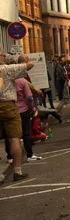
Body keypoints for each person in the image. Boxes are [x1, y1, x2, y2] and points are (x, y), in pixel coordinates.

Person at [0, 50, 35, 181]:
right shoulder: (7, 69)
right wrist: (25, 60)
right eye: (2, 54)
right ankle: (18, 171)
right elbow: (30, 65)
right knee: (14, 139)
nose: (4, 56)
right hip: (8, 105)